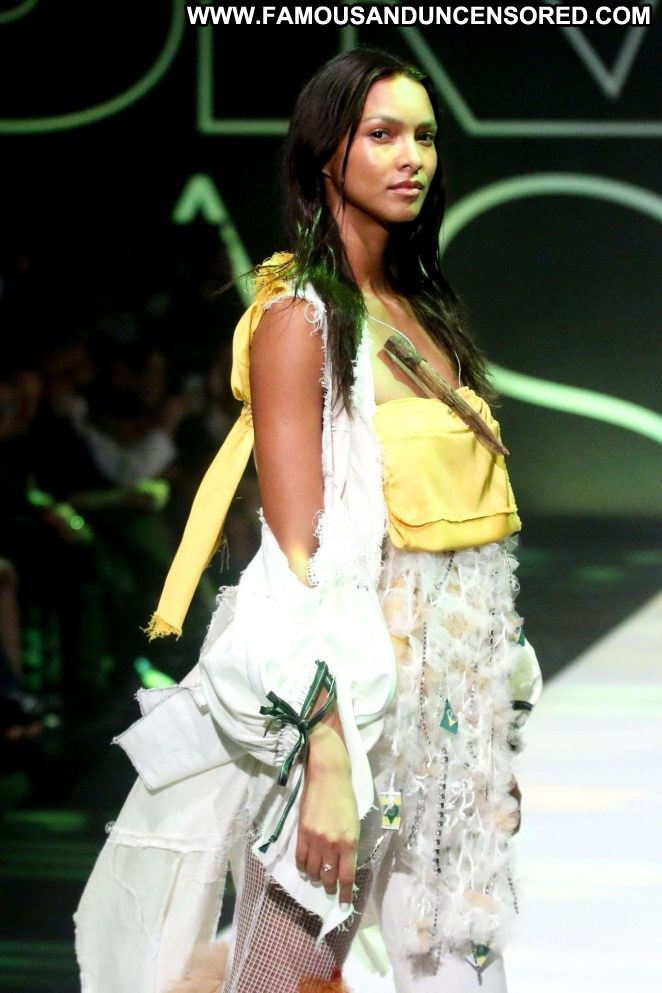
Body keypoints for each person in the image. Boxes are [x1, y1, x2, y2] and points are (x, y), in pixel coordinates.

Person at [74, 49, 541, 993]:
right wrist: (323, 752)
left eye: (425, 136)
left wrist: (486, 733)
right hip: (349, 717)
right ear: (326, 154)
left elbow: (472, 552)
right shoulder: (302, 319)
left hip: (444, 727)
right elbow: (297, 557)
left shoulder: (425, 311)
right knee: (287, 980)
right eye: (383, 134)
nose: (412, 157)